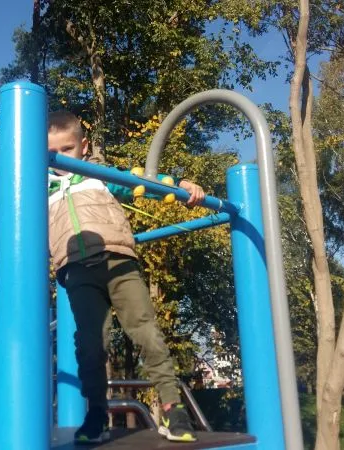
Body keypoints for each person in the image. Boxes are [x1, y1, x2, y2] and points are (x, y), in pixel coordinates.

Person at [47, 110, 205, 444]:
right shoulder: (41, 188)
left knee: (145, 330)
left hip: (119, 261)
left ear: (84, 147)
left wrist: (181, 186)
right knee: (90, 344)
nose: (60, 159)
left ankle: (172, 408)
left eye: (67, 149)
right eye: (52, 153)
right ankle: (96, 413)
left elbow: (143, 184)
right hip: (76, 270)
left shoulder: (97, 176)